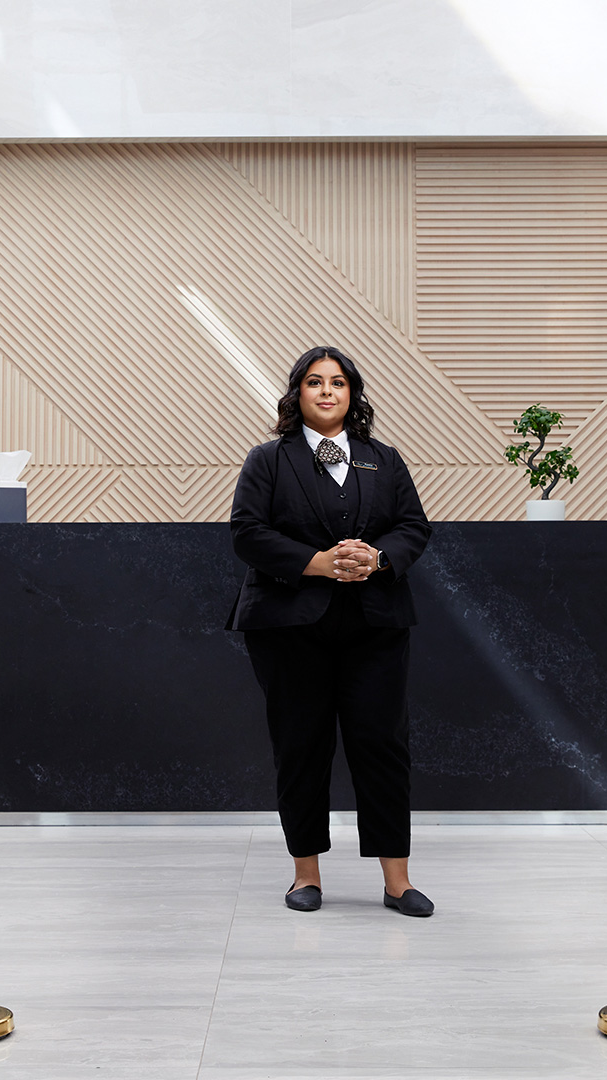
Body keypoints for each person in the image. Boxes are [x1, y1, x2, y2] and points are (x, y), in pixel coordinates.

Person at [227, 346, 434, 916]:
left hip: (376, 623)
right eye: (314, 382)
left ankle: (397, 882)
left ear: (352, 394)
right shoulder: (267, 460)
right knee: (301, 746)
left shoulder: (384, 459)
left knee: (383, 746)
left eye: (338, 382)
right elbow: (246, 532)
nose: (326, 391)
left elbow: (414, 527)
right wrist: (317, 563)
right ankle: (305, 875)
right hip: (289, 626)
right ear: (297, 393)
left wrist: (378, 558)